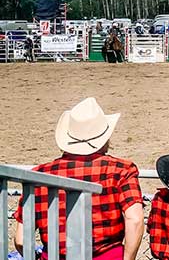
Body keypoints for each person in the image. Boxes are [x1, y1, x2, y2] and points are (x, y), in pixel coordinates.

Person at [13, 98, 144, 260]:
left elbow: (21, 240)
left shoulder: (38, 175)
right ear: (104, 138)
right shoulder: (121, 170)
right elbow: (135, 220)